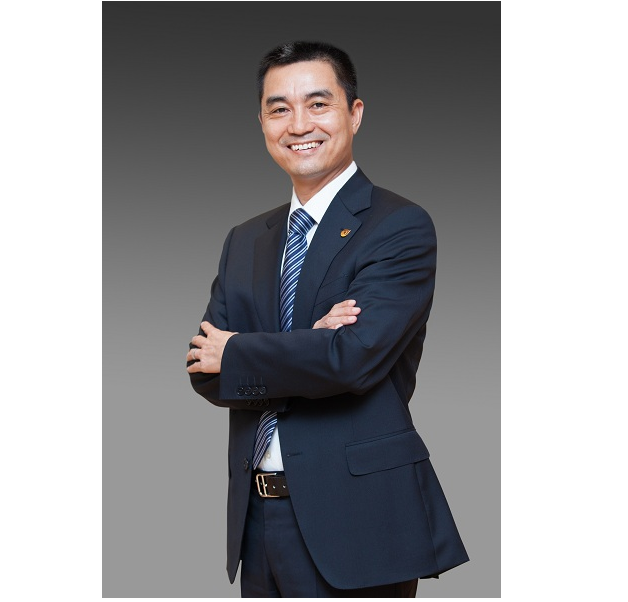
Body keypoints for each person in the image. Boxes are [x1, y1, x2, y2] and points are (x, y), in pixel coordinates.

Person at [187, 40, 469, 597]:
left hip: (359, 519)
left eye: (318, 104)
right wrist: (306, 345)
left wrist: (244, 351)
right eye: (279, 109)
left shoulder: (398, 226)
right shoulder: (245, 240)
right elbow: (205, 370)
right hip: (256, 519)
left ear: (354, 114)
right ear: (262, 123)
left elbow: (351, 360)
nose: (299, 125)